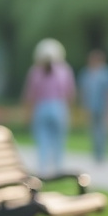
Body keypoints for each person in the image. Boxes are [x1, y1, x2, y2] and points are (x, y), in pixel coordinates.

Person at [22, 38, 76, 176]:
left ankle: (43, 170)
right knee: (59, 141)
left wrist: (27, 113)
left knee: (42, 140)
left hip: (41, 107)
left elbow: (30, 95)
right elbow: (70, 92)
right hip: (59, 106)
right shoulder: (64, 70)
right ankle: (58, 169)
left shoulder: (35, 71)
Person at [78, 49, 108, 163]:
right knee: (93, 131)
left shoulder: (107, 73)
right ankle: (96, 153)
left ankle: (102, 154)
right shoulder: (87, 73)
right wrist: (84, 105)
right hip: (91, 106)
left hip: (104, 106)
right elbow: (83, 91)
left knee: (103, 131)